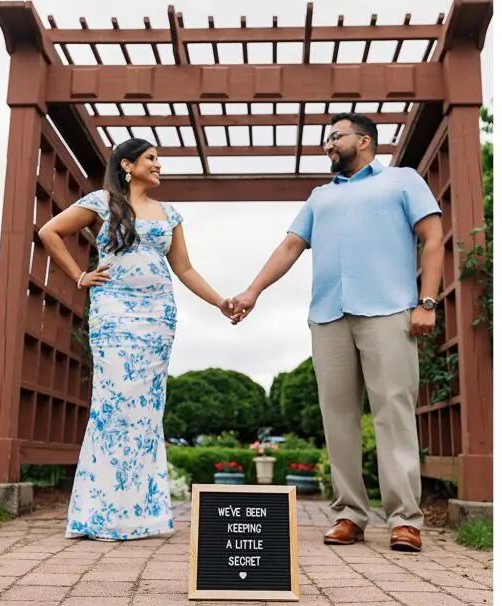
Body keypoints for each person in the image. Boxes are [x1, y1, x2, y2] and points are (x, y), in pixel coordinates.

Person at [230, 112, 444, 553]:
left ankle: (405, 519)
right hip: (328, 315)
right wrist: (253, 290)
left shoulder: (402, 181)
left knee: (394, 416)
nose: (328, 145)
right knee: (338, 420)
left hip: (390, 312)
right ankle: (349, 514)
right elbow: (290, 245)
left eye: (334, 137)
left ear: (363, 140)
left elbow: (434, 236)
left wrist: (427, 302)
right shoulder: (319, 197)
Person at [38, 137, 236, 540]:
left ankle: (141, 515)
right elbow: (49, 231)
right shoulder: (101, 201)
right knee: (113, 404)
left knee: (146, 410)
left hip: (157, 317)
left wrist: (220, 302)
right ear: (127, 165)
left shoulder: (170, 213)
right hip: (113, 312)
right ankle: (100, 513)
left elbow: (184, 269)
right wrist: (80, 275)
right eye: (151, 158)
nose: (159, 164)